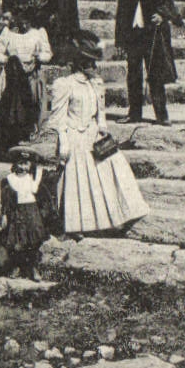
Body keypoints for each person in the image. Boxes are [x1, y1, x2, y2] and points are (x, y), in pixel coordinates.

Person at [47, 29, 149, 235]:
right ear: (80, 64)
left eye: (94, 63)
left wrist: (103, 130)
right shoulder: (64, 84)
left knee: (115, 170)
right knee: (79, 182)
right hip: (75, 136)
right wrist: (63, 141)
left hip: (94, 136)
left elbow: (100, 112)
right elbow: (58, 118)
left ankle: (121, 214)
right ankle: (78, 225)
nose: (94, 67)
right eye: (90, 64)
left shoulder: (96, 84)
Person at [115, 0, 183, 124]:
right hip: (133, 37)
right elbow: (120, 17)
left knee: (155, 75)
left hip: (151, 36)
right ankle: (134, 113)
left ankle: (161, 115)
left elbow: (169, 8)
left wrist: (162, 16)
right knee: (133, 75)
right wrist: (119, 41)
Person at [0, 15, 52, 159]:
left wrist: (37, 58)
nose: (24, 23)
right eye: (21, 20)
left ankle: (28, 137)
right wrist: (9, 60)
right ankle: (11, 142)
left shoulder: (38, 33)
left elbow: (47, 53)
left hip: (31, 75)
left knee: (30, 104)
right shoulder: (8, 33)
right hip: (13, 74)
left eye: (27, 20)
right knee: (11, 105)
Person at [0, 147, 49, 279]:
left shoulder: (30, 178)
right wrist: (4, 215)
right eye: (20, 163)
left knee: (33, 240)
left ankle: (33, 268)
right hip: (18, 212)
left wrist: (39, 171)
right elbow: (5, 199)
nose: (23, 167)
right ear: (15, 164)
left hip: (31, 211)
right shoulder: (10, 179)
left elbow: (34, 189)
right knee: (18, 241)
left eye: (26, 164)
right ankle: (17, 267)